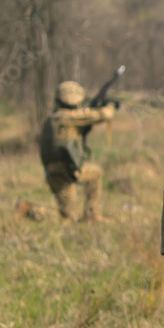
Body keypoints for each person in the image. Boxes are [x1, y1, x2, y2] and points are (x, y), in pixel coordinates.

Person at [38, 81, 116, 222]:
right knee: (96, 174)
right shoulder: (70, 117)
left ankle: (27, 209)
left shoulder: (52, 118)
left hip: (52, 172)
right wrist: (110, 105)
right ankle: (92, 215)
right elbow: (103, 115)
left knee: (67, 215)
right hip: (67, 170)